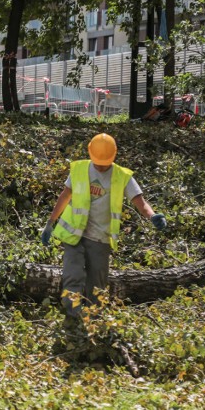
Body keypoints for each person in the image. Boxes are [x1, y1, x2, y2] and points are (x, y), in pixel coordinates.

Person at [41, 133, 167, 319]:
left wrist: (152, 215)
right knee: (72, 276)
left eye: (104, 162)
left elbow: (140, 201)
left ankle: (94, 322)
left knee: (97, 286)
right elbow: (65, 196)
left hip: (100, 239)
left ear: (113, 157)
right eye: (98, 162)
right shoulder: (80, 169)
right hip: (74, 236)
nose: (100, 166)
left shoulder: (122, 176)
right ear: (90, 154)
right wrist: (50, 223)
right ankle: (74, 318)